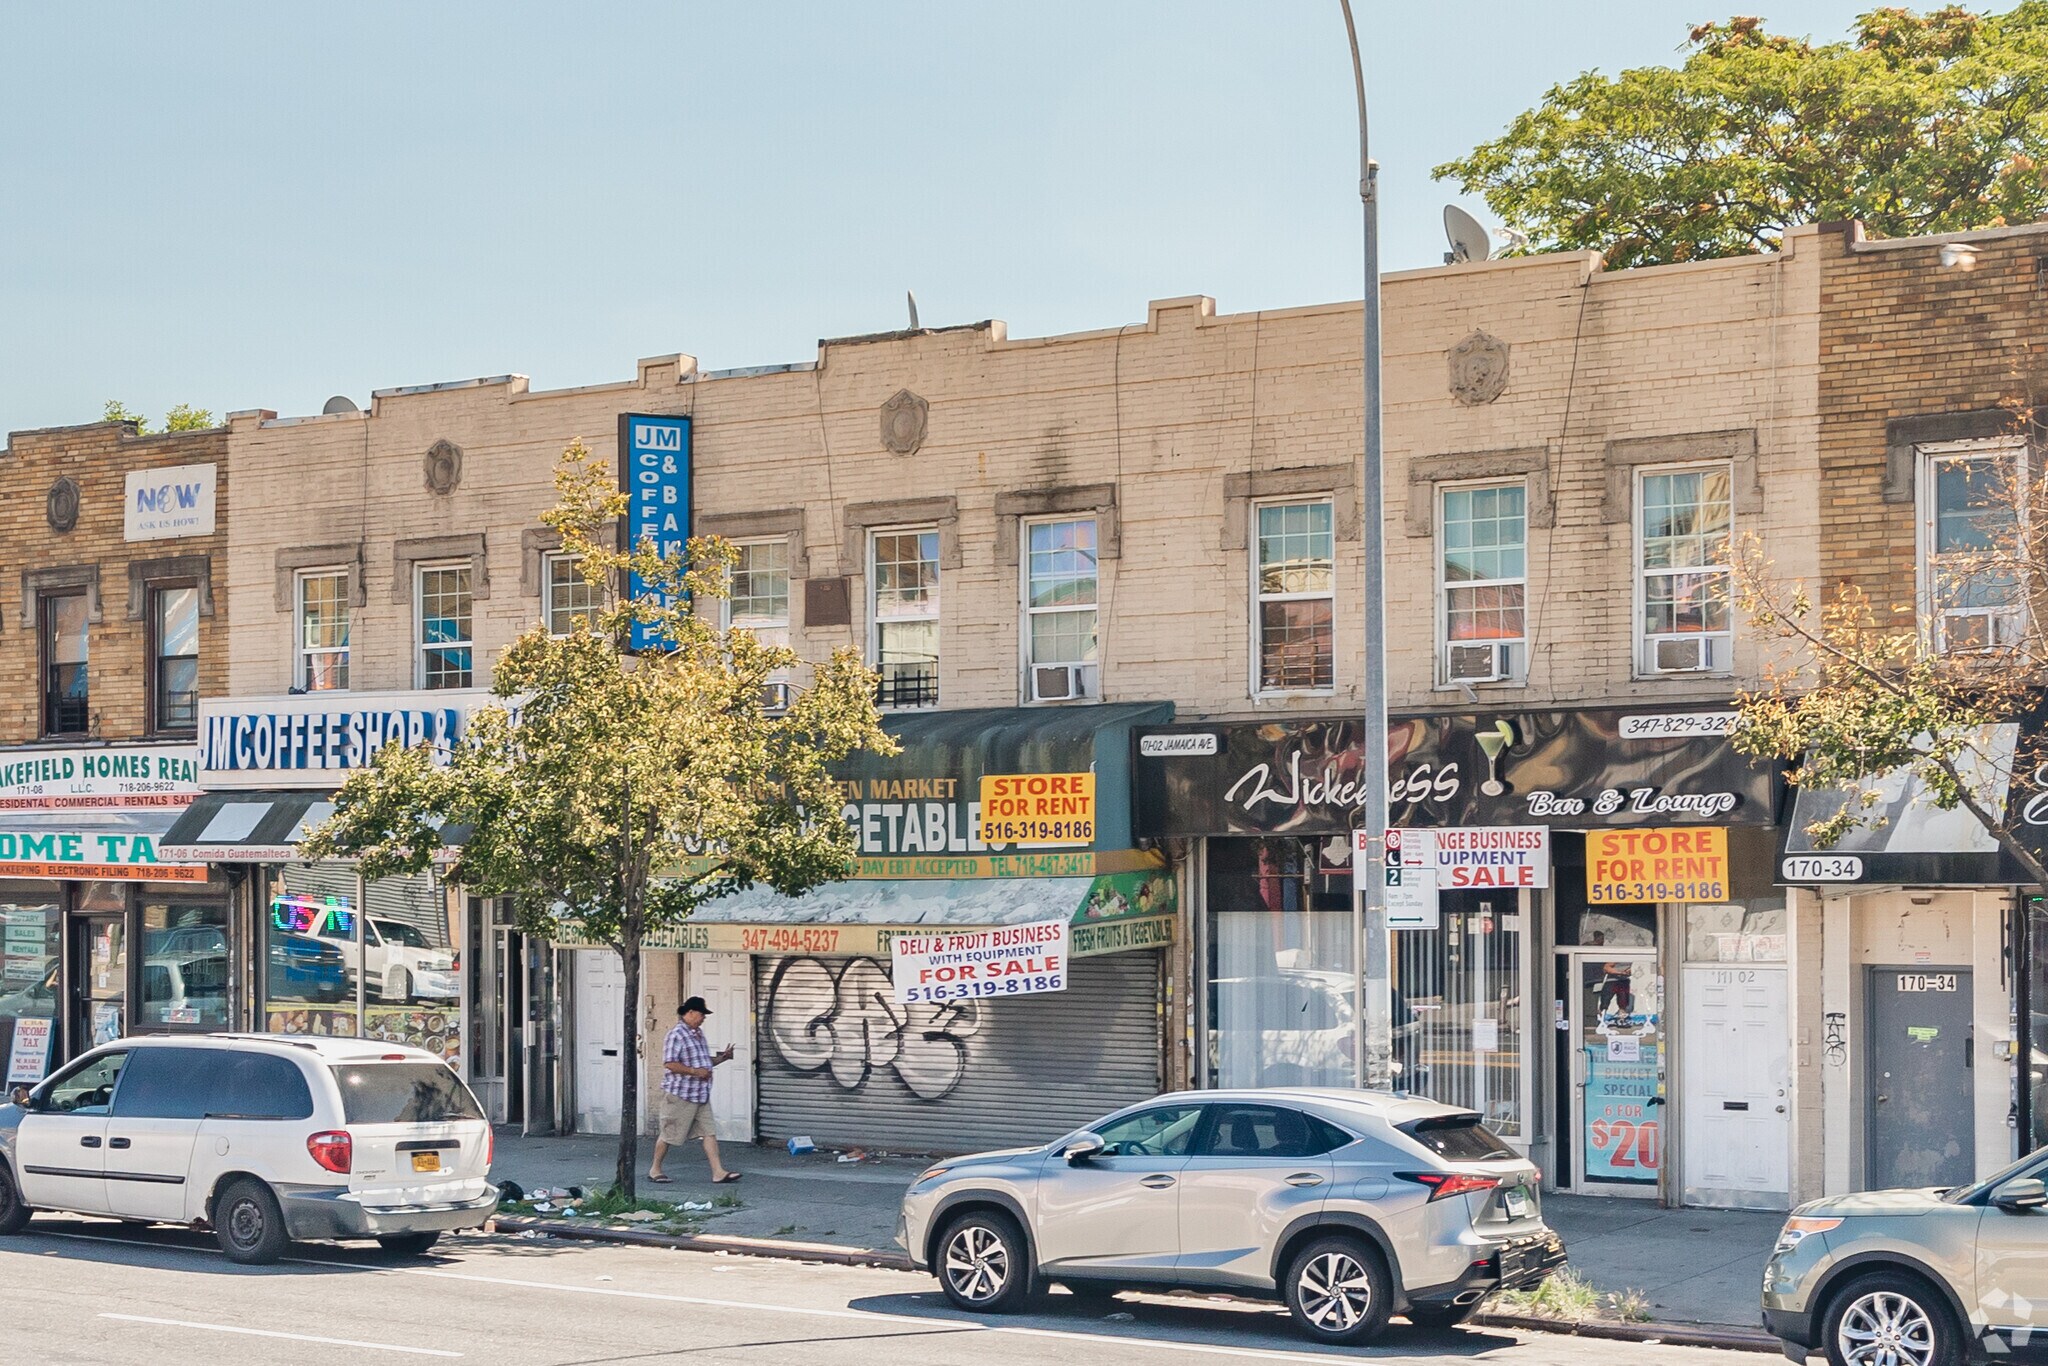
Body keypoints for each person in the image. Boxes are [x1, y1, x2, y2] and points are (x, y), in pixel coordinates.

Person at [649, 996, 738, 1184]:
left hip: (700, 1094)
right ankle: (655, 1169)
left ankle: (718, 1172)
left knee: (709, 1132)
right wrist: (694, 1072)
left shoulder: (698, 1034)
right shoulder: (676, 1035)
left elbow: (703, 1062)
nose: (703, 1018)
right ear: (690, 1013)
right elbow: (670, 1063)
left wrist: (723, 1058)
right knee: (669, 1134)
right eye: (701, 1014)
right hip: (680, 1095)